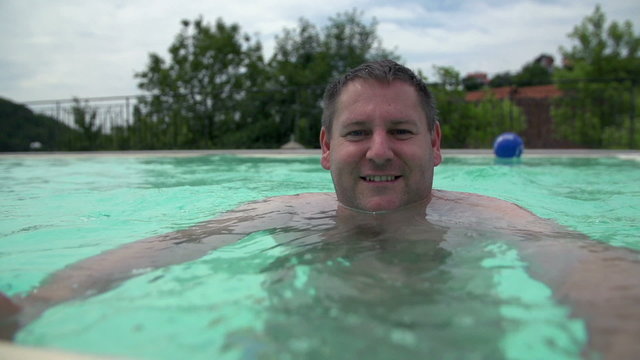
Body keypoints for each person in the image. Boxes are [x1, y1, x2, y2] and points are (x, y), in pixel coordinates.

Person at [1, 60, 639, 358]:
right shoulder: (282, 212)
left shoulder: (487, 216)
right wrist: (35, 309)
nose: (380, 151)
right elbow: (163, 251)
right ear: (327, 148)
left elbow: (593, 271)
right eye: (359, 132)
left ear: (437, 145)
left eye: (403, 131)